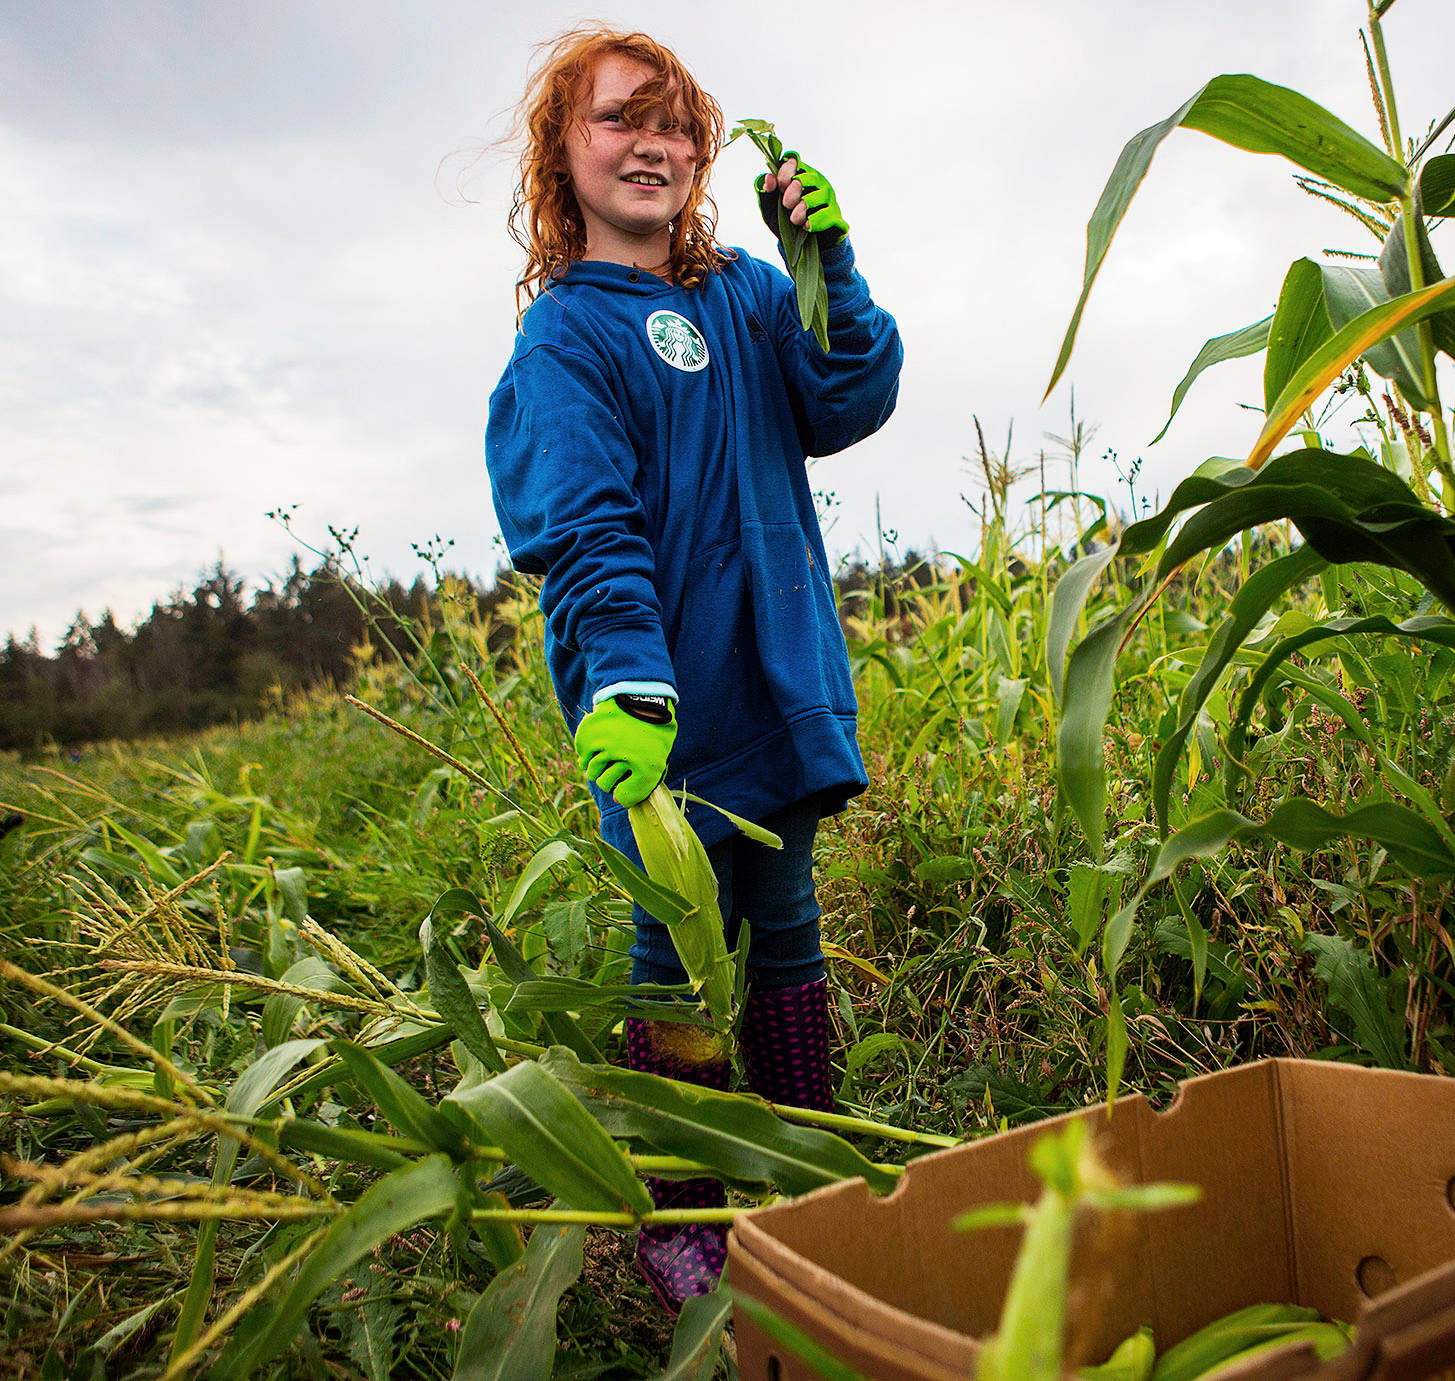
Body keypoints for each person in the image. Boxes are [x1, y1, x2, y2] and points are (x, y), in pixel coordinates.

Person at [483, 26, 902, 1309]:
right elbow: (585, 522)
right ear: (564, 153)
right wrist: (627, 678)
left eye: (673, 123)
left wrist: (822, 264)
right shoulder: (565, 340)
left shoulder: (748, 296)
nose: (649, 143)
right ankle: (688, 1198)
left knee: (783, 916)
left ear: (704, 151)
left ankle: (809, 1159)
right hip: (657, 695)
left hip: (775, 669)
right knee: (676, 935)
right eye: (617, 119)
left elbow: (843, 399)